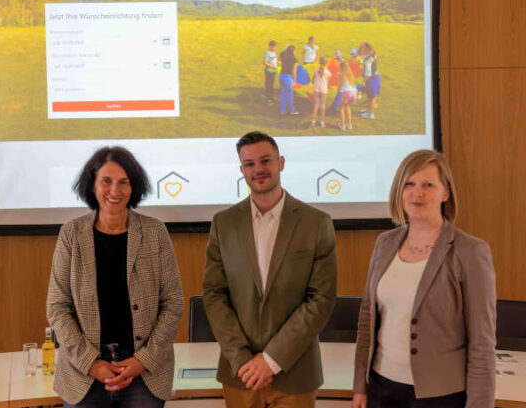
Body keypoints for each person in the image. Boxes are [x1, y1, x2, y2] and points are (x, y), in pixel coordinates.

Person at [352, 150, 496, 408]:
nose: (417, 193)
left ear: (446, 193)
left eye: (428, 185)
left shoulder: (470, 252)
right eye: (409, 184)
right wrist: (360, 387)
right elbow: (367, 319)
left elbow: (482, 342)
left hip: (440, 396)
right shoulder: (384, 244)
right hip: (381, 389)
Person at [203, 131, 337, 408]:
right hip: (240, 373)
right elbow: (214, 295)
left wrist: (272, 360)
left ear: (281, 163)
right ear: (242, 170)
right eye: (249, 164)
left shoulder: (316, 223)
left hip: (295, 372)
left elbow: (320, 299)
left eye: (266, 161)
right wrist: (242, 359)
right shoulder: (223, 224)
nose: (258, 169)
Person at [46, 146, 184, 408]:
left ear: (134, 187)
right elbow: (57, 307)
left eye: (124, 182)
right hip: (83, 373)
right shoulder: (71, 234)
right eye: (106, 181)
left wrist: (142, 360)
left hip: (144, 373)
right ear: (92, 185)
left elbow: (173, 304)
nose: (114, 191)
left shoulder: (155, 233)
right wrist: (91, 363)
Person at [357, 42, 380, 119]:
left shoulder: (367, 61)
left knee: (371, 98)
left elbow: (368, 74)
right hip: (376, 78)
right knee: (372, 96)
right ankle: (369, 109)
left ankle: (370, 114)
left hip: (372, 79)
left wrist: (363, 81)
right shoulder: (372, 55)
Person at [278, 46, 299, 116]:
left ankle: (282, 110)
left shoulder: (284, 58)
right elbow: (294, 71)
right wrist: (294, 80)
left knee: (283, 94)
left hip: (281, 76)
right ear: (293, 51)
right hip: (288, 77)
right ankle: (292, 110)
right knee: (290, 95)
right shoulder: (295, 60)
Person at [311, 56, 331, 128]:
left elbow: (313, 80)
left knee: (316, 105)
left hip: (316, 88)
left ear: (319, 62)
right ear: (326, 63)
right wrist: (330, 86)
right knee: (323, 105)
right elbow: (328, 82)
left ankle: (313, 120)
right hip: (323, 90)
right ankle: (322, 121)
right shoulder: (328, 72)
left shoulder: (315, 70)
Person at [338, 62, 358, 131]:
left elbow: (340, 85)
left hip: (346, 92)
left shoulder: (341, 74)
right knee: (347, 107)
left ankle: (342, 125)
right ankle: (349, 125)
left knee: (341, 108)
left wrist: (338, 89)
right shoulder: (351, 75)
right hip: (354, 92)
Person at [263, 40, 279, 104]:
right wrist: (273, 67)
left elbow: (274, 60)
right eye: (273, 47)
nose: (275, 48)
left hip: (273, 71)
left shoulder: (274, 52)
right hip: (269, 71)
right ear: (270, 47)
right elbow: (265, 63)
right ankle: (268, 98)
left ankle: (271, 96)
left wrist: (279, 62)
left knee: (272, 84)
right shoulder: (267, 53)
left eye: (275, 47)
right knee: (269, 84)